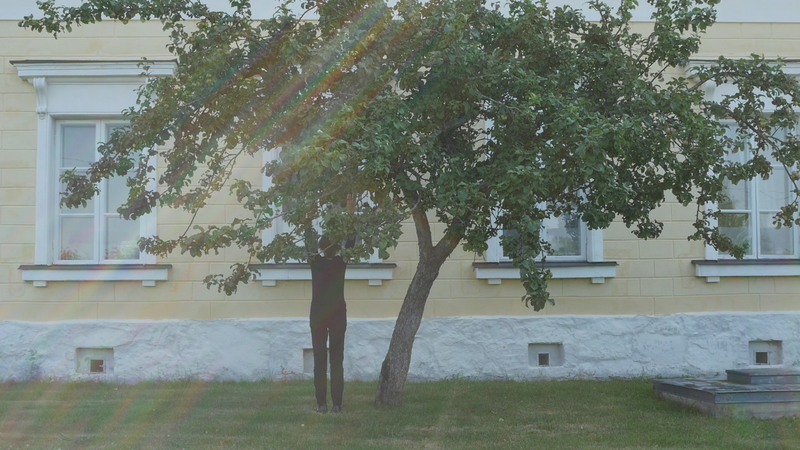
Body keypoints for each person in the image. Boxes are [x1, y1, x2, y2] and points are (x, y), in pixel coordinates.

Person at [306, 195, 356, 414]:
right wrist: (350, 214)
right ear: (336, 249)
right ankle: (337, 405)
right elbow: (350, 243)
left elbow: (308, 242)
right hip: (337, 314)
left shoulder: (315, 263)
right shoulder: (340, 263)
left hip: (318, 315)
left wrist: (308, 219)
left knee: (319, 359)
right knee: (337, 358)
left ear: (321, 248)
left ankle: (321, 404)